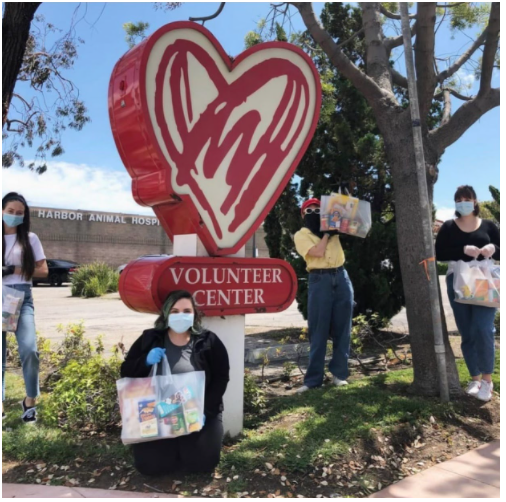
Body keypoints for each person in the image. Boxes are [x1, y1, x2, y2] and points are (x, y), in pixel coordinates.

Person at [120, 289, 230, 475]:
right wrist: (145, 361)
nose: (181, 316)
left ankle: (184, 447)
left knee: (202, 464)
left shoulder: (208, 341)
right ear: (166, 314)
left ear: (194, 314)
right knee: (151, 467)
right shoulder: (150, 339)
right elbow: (126, 371)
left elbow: (221, 377)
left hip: (196, 410)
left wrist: (205, 410)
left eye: (187, 311)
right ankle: (173, 448)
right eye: (175, 311)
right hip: (158, 411)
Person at [435, 185, 500, 402]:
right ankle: (475, 379)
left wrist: (493, 249)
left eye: (467, 198)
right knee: (467, 332)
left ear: (474, 201)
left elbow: (502, 247)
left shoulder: (489, 226)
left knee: (483, 329)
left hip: (484, 281)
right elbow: (440, 253)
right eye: (459, 199)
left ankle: (488, 380)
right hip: (459, 281)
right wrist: (462, 250)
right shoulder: (448, 226)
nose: (464, 202)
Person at [293, 198, 354, 393]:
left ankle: (339, 375)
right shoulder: (301, 234)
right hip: (320, 280)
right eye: (308, 210)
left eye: (317, 209)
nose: (313, 212)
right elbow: (317, 252)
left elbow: (352, 218)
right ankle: (313, 381)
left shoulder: (333, 227)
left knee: (343, 328)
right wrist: (327, 234)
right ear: (302, 215)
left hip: (341, 276)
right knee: (318, 330)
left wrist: (345, 197)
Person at [2, 192, 48, 422]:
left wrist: (13, 270)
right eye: (10, 211)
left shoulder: (30, 238)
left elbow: (43, 271)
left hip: (21, 296)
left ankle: (30, 401)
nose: (14, 216)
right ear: (2, 210)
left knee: (30, 349)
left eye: (19, 213)